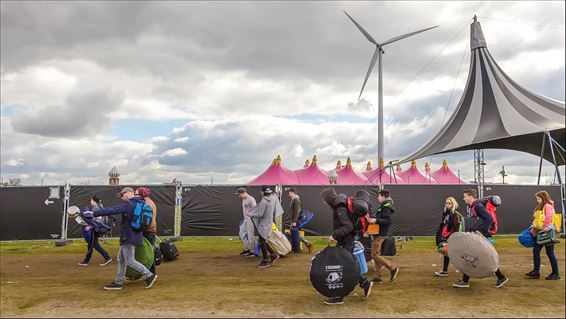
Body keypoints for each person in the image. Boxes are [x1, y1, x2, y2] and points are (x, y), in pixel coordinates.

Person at [93, 187, 158, 290]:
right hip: (134, 235)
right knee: (121, 259)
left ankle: (149, 275)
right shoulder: (140, 203)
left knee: (130, 260)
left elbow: (113, 209)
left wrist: (94, 213)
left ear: (128, 193)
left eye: (122, 195)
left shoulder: (130, 204)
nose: (122, 198)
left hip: (128, 236)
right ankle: (118, 282)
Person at [320, 187, 373, 305]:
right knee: (348, 265)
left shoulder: (339, 208)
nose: (324, 202)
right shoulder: (340, 204)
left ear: (329, 198)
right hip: (346, 239)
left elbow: (348, 226)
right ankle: (364, 283)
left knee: (344, 266)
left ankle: (339, 296)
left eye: (324, 199)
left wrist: (334, 235)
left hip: (346, 240)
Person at [453, 188, 508, 288]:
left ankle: (501, 277)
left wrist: (482, 232)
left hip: (481, 235)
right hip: (477, 234)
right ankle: (500, 277)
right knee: (471, 255)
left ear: (470, 196)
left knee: (480, 256)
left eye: (465, 196)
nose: (463, 198)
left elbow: (489, 219)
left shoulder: (477, 206)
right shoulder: (471, 206)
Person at [525, 191, 560, 280]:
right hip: (543, 232)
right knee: (538, 251)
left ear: (543, 198)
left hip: (545, 231)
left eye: (538, 198)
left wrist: (545, 226)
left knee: (548, 253)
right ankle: (537, 272)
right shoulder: (546, 206)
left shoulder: (547, 206)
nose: (537, 200)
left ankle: (555, 274)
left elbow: (549, 216)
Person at [367, 189, 399, 284]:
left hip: (380, 234)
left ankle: (392, 268)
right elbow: (382, 219)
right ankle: (378, 277)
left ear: (383, 197)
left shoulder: (387, 207)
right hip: (379, 233)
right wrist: (375, 220)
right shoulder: (384, 206)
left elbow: (388, 221)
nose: (378, 198)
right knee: (376, 254)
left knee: (374, 255)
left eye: (379, 196)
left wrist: (375, 221)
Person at [246, 186, 279, 268]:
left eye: (261, 191)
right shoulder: (273, 198)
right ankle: (273, 254)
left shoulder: (264, 201)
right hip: (269, 222)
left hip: (264, 224)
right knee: (263, 240)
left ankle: (266, 260)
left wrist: (250, 214)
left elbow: (260, 214)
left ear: (263, 192)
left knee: (261, 241)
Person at [78, 196, 112, 266]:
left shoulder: (95, 208)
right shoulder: (99, 207)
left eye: (91, 201)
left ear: (94, 201)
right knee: (91, 244)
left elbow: (97, 220)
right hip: (97, 228)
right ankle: (86, 261)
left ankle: (106, 257)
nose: (90, 202)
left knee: (94, 244)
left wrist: (90, 227)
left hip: (95, 229)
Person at [434, 197, 461, 277]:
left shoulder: (455, 214)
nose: (447, 205)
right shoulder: (445, 212)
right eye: (446, 203)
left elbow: (455, 227)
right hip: (444, 236)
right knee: (445, 252)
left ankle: (461, 267)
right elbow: (443, 224)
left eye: (449, 203)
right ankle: (445, 270)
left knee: (453, 253)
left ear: (453, 204)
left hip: (451, 236)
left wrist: (453, 238)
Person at [136, 187, 158, 275]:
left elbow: (147, 221)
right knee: (148, 252)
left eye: (137, 194)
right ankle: (149, 272)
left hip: (148, 231)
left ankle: (151, 273)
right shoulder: (151, 202)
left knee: (148, 253)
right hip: (150, 230)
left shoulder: (146, 203)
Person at [288, 188, 313, 253]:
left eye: (289, 193)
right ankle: (306, 243)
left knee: (293, 234)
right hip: (294, 220)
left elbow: (297, 211)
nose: (289, 194)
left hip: (295, 221)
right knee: (293, 235)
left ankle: (305, 243)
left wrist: (294, 221)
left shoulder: (295, 199)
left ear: (293, 192)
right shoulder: (294, 199)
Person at [236, 187, 257, 257]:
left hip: (251, 220)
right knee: (241, 234)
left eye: (240, 195)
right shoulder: (244, 199)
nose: (239, 196)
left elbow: (255, 209)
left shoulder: (251, 199)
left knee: (250, 236)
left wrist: (251, 215)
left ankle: (253, 251)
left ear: (244, 193)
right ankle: (247, 249)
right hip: (245, 220)